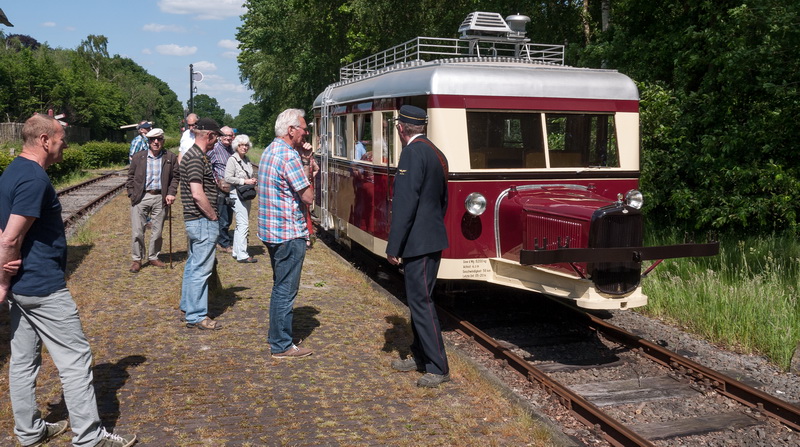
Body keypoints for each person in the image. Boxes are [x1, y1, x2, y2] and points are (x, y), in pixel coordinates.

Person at [0, 114, 137, 446]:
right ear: (45, 140)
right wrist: (2, 282)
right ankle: (89, 438)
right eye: (62, 139)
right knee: (75, 360)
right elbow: (9, 239)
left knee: (22, 361)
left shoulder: (12, 172)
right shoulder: (33, 179)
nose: (66, 144)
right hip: (41, 287)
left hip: (23, 287)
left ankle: (30, 432)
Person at [386, 105, 451, 388]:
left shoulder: (412, 153)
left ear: (401, 128)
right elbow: (442, 199)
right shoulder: (435, 151)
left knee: (422, 303)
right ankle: (421, 357)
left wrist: (394, 245)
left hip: (418, 243)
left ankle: (438, 367)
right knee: (417, 301)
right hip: (429, 238)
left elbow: (404, 204)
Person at [258, 108, 314, 358]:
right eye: (303, 128)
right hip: (288, 233)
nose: (306, 132)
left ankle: (276, 336)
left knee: (279, 286)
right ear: (291, 130)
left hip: (271, 232)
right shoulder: (289, 156)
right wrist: (306, 163)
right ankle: (281, 345)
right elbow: (308, 196)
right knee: (285, 289)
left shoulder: (270, 151)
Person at [179, 117, 223, 331]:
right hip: (202, 220)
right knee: (201, 270)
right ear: (210, 136)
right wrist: (213, 216)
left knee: (193, 266)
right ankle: (197, 315)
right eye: (216, 138)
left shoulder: (192, 156)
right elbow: (197, 194)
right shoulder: (196, 158)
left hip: (195, 220)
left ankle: (188, 307)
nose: (216, 142)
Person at [125, 127, 179, 273]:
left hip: (160, 197)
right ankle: (137, 259)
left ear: (163, 140)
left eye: (159, 139)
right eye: (152, 139)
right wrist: (131, 193)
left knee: (157, 231)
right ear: (148, 141)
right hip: (141, 197)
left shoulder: (170, 157)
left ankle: (153, 256)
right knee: (137, 231)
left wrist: (171, 193)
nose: (156, 142)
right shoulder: (138, 157)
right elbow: (130, 177)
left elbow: (175, 177)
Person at [225, 134, 257, 263]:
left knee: (240, 224)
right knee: (243, 224)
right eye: (241, 145)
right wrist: (244, 181)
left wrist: (252, 181)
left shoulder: (247, 159)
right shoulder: (232, 160)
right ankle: (242, 254)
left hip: (245, 195)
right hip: (236, 194)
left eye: (246, 145)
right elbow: (227, 178)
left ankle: (236, 251)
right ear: (236, 146)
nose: (244, 147)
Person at [209, 126, 236, 253]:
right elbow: (208, 166)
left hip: (232, 187)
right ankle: (223, 243)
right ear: (220, 136)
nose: (228, 138)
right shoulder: (214, 149)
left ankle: (223, 238)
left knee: (229, 215)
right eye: (225, 135)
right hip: (221, 187)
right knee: (223, 216)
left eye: (230, 135)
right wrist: (216, 180)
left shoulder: (231, 149)